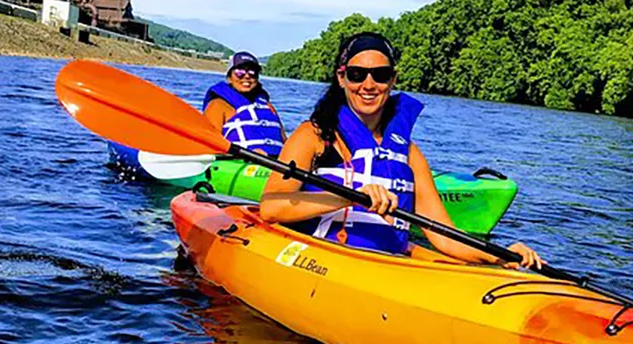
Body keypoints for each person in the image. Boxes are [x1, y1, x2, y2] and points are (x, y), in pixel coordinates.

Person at [259, 32, 541, 269]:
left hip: (389, 266)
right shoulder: (314, 136)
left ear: (392, 80)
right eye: (357, 75)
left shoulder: (410, 154)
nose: (368, 85)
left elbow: (443, 235)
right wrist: (346, 197)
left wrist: (500, 255)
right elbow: (271, 208)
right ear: (342, 78)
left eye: (380, 75)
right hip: (326, 261)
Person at [203, 51, 287, 156]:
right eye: (240, 72)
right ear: (229, 77)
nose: (247, 76)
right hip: (238, 165)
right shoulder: (218, 106)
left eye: (252, 72)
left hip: (275, 165)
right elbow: (207, 147)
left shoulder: (267, 106)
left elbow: (286, 142)